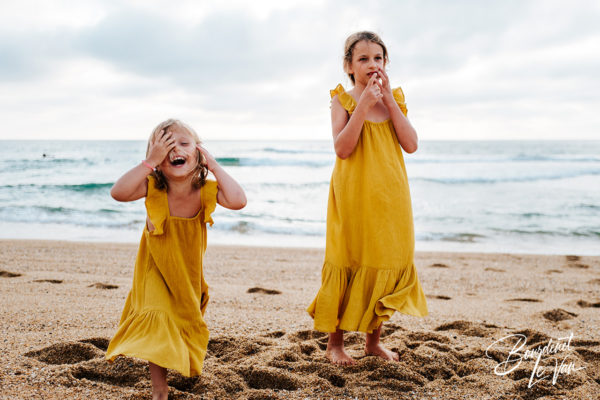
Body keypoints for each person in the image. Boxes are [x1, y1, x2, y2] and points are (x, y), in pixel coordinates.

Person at [307, 31, 428, 365]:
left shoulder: (395, 101)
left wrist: (388, 100)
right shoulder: (342, 100)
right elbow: (343, 148)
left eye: (378, 58)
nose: (372, 65)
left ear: (386, 63)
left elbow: (411, 144)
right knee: (349, 258)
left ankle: (373, 341)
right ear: (348, 65)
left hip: (391, 196)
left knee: (385, 260)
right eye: (363, 59)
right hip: (353, 195)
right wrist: (363, 104)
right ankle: (335, 343)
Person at [105, 119, 246, 400]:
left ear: (198, 153)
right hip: (154, 269)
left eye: (183, 144)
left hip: (186, 273)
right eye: (165, 146)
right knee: (158, 320)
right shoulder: (151, 187)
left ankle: (177, 363)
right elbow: (118, 192)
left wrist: (215, 165)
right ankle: (160, 390)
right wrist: (148, 162)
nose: (174, 151)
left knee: (181, 322)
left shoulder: (205, 190)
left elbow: (238, 200)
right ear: (156, 157)